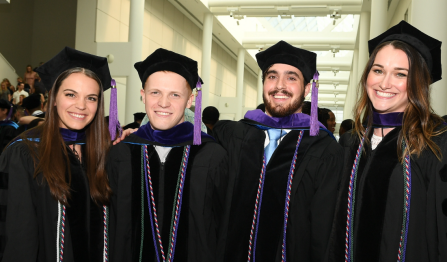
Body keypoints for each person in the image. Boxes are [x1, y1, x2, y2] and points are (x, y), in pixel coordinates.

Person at [326, 21, 447, 262]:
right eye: (378, 70)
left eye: (400, 74)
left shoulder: (437, 143)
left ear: (419, 83)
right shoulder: (352, 143)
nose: (384, 83)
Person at [213, 40, 343, 262]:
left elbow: (326, 229)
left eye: (291, 78)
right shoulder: (232, 135)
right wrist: (139, 135)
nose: (279, 85)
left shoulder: (325, 149)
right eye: (272, 76)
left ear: (308, 88)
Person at [108, 48, 228, 262]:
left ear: (190, 99)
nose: (164, 103)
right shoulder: (122, 152)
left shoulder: (212, 155)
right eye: (155, 92)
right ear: (143, 95)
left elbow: (222, 226)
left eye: (175, 94)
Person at [0, 47, 112, 261]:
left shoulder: (103, 154)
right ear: (52, 98)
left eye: (91, 98)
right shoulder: (25, 153)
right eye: (71, 94)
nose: (81, 106)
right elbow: (16, 238)